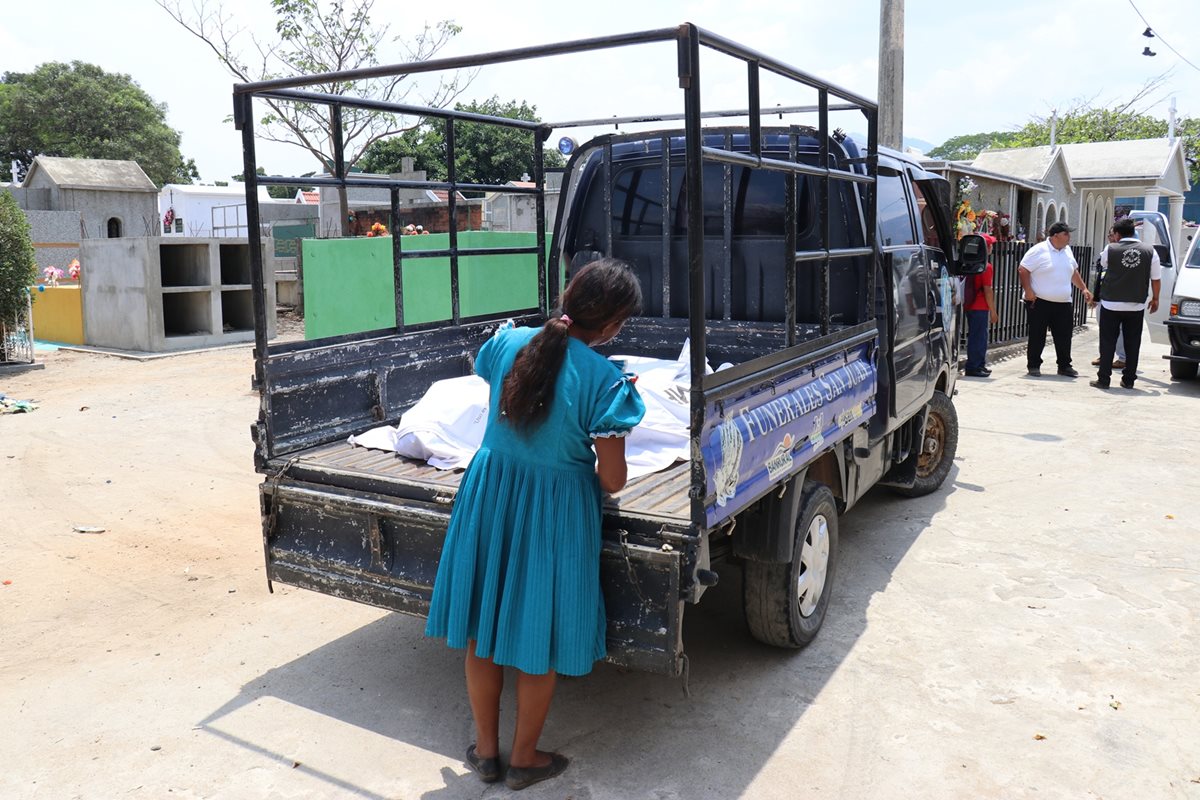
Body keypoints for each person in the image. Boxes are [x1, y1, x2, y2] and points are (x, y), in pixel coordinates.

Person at [425, 258, 645, 790]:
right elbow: (612, 481)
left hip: (490, 494)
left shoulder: (506, 344)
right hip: (556, 509)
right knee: (537, 635)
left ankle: (485, 752)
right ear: (613, 325)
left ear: (569, 297)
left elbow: (514, 380)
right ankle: (525, 758)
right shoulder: (606, 382)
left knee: (483, 626)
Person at [1090, 217, 1161, 389]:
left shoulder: (1110, 248)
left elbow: (1105, 265)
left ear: (1117, 234)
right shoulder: (1150, 251)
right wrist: (1156, 298)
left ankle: (1104, 379)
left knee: (1107, 342)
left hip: (1110, 304)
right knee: (1133, 343)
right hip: (1136, 305)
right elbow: (1156, 278)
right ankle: (1128, 380)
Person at [1018, 221, 1093, 377]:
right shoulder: (1038, 250)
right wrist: (1028, 291)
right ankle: (1034, 365)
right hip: (1039, 301)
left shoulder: (1067, 251)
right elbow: (1023, 269)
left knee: (1064, 335)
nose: (1069, 237)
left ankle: (1064, 366)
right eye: (1066, 234)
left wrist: (1084, 288)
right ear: (1055, 235)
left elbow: (1073, 271)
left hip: (1063, 302)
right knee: (1038, 334)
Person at [1091, 228, 1128, 370]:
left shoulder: (1123, 254)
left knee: (1119, 331)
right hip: (1103, 296)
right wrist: (1095, 296)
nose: (1110, 238)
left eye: (1112, 235)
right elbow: (1100, 277)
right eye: (1109, 235)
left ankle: (1123, 357)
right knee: (1104, 330)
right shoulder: (1106, 253)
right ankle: (1105, 355)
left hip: (1116, 298)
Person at [963, 233, 1000, 377]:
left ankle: (979, 364)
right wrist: (993, 311)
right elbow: (988, 291)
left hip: (970, 304)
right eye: (990, 245)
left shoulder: (968, 263)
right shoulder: (986, 266)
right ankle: (974, 366)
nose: (991, 248)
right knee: (979, 337)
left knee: (976, 336)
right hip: (980, 306)